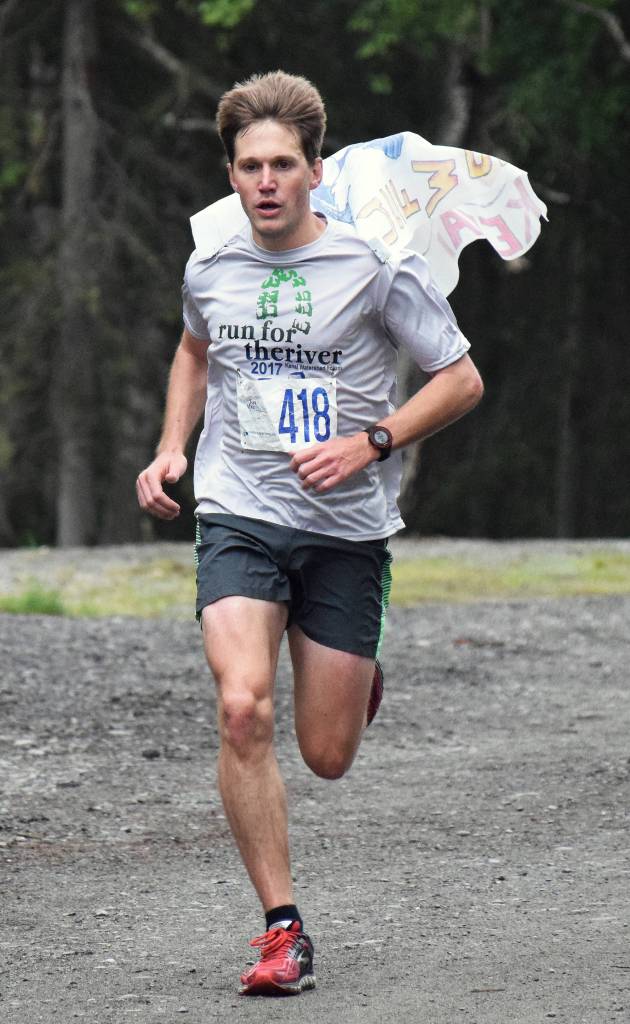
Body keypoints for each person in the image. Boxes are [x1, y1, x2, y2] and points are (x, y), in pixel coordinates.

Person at [136, 70, 483, 996]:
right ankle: (281, 931)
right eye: (250, 166)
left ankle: (355, 673)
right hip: (240, 511)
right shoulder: (210, 265)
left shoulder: (375, 266)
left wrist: (373, 441)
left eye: (283, 165)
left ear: (316, 171)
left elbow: (459, 379)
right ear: (231, 173)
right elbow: (194, 350)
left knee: (327, 756)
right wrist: (171, 448)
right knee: (242, 707)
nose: (266, 182)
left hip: (344, 530)